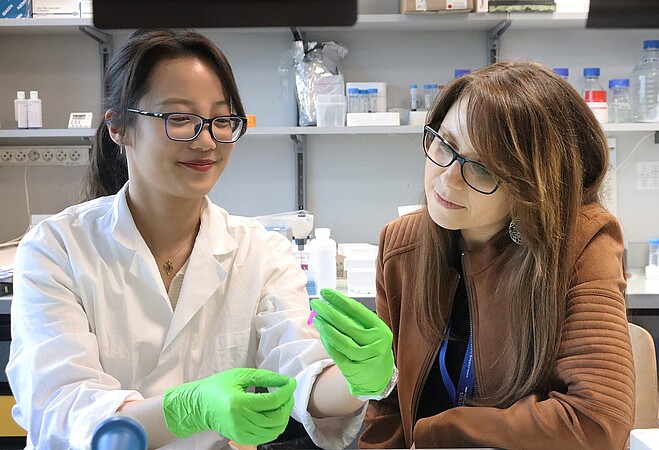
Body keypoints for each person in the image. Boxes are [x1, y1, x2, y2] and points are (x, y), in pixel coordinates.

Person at [6, 29, 394, 450]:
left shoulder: (262, 253)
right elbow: (60, 408)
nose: (207, 140)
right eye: (180, 118)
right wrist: (185, 409)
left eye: (221, 120)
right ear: (119, 127)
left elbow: (300, 374)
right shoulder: (56, 248)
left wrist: (358, 380)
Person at [358, 60, 635, 449]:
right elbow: (385, 403)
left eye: (484, 168)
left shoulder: (580, 241)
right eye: (446, 145)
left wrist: (437, 432)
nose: (449, 179)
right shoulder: (402, 246)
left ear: (534, 185)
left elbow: (597, 422)